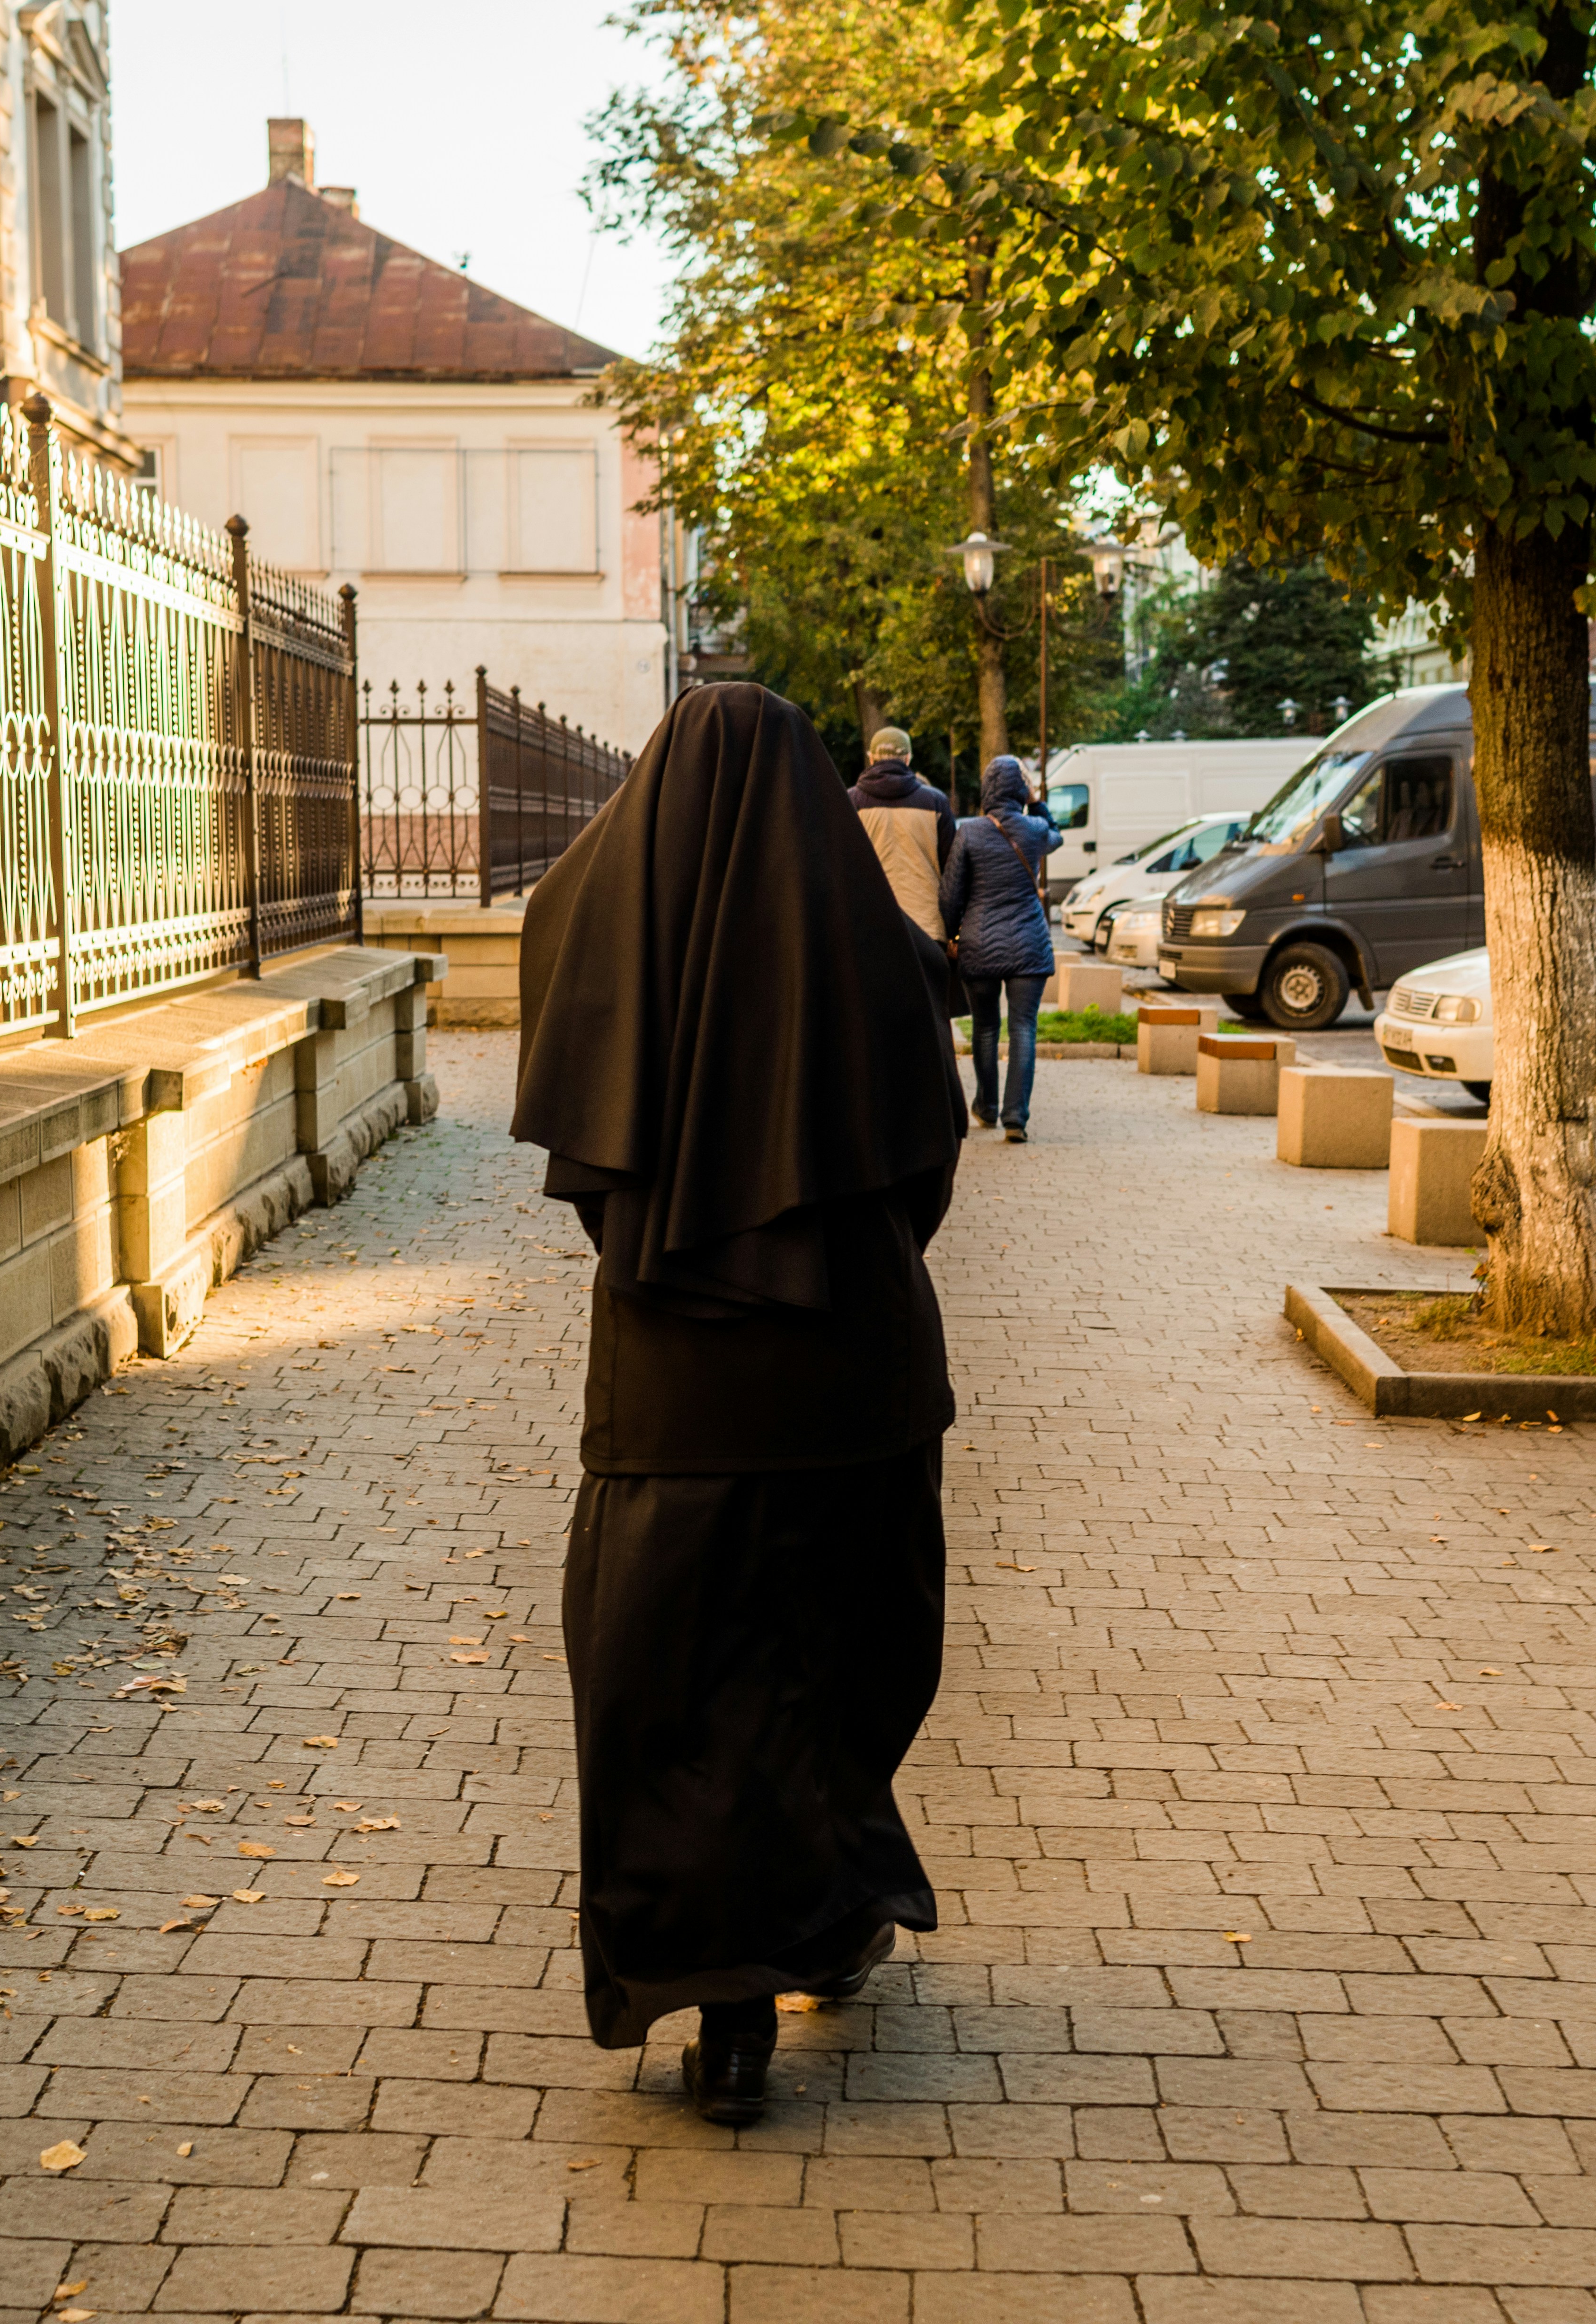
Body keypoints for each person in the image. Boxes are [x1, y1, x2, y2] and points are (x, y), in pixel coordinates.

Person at [511, 682, 966, 2128]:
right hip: (854, 1380)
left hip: (669, 1389)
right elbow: (923, 1170)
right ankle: (822, 1918)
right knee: (832, 1667)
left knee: (670, 1686)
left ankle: (721, 2003)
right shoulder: (873, 950)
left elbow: (587, 1168)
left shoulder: (588, 919)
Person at [938, 755, 1057, 1141]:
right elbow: (1057, 833)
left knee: (986, 1028)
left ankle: (986, 1107)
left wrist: (955, 935)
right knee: (1024, 1028)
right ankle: (1015, 1118)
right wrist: (1037, 800)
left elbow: (950, 894)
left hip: (980, 942)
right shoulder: (1035, 829)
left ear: (988, 788)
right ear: (1020, 788)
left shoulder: (970, 832)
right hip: (1029, 945)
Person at [847, 724, 956, 941]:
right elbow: (952, 870)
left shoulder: (851, 801)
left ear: (871, 758)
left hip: (871, 921)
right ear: (908, 759)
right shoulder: (935, 802)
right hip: (927, 925)